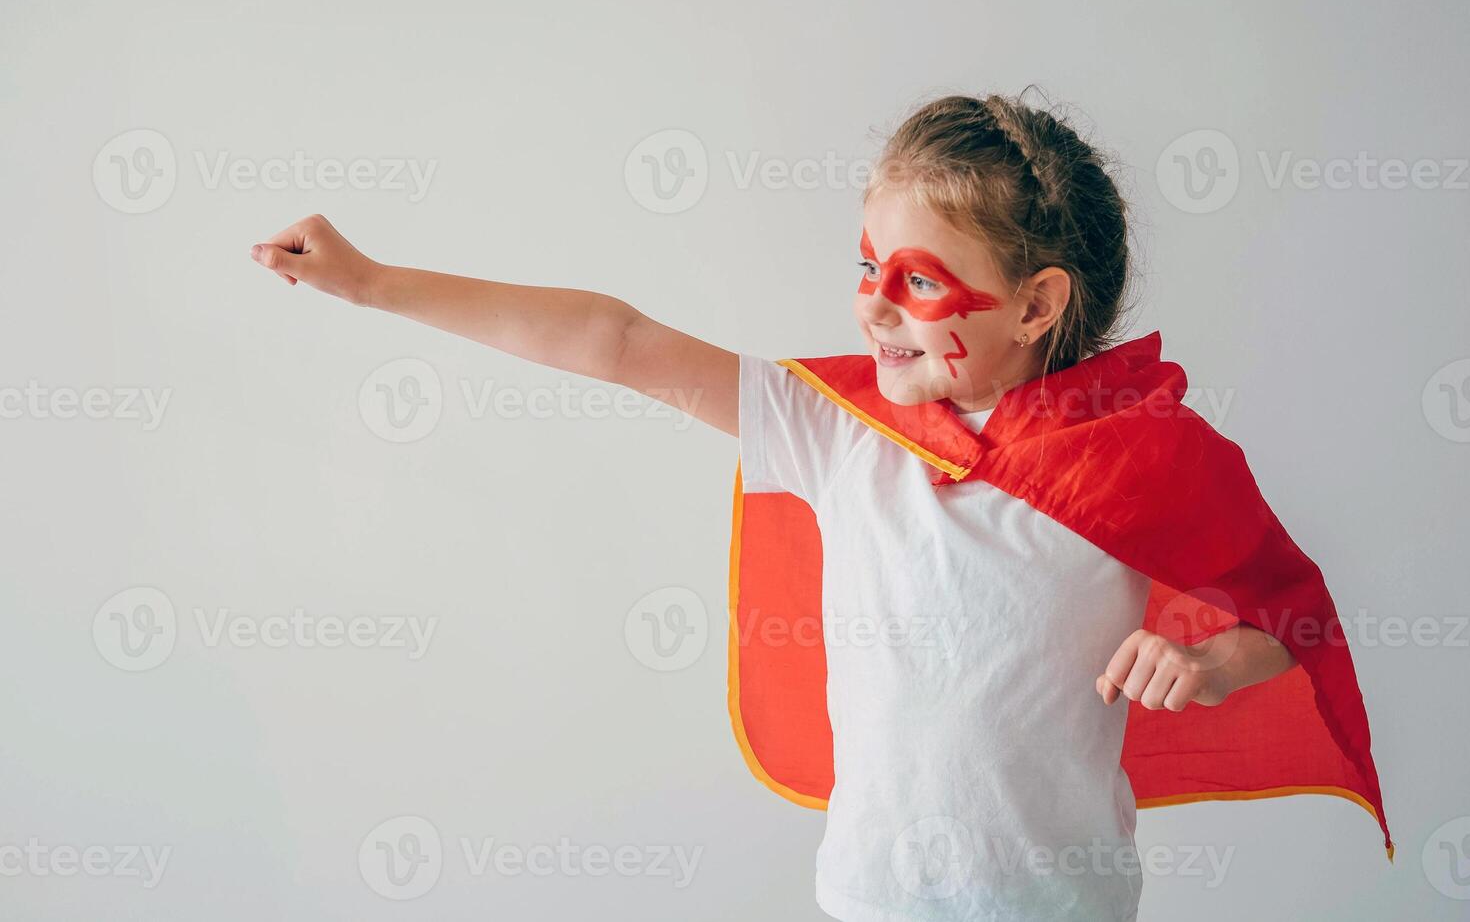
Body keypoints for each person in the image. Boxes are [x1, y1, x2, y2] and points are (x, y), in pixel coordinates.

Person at [249, 91, 1388, 921]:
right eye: (866, 265)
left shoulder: (1146, 457)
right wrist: (374, 283)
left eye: (918, 279)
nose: (873, 307)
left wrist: (1211, 663)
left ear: (1038, 301)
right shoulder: (842, 431)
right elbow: (621, 340)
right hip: (866, 900)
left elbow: (1291, 619)